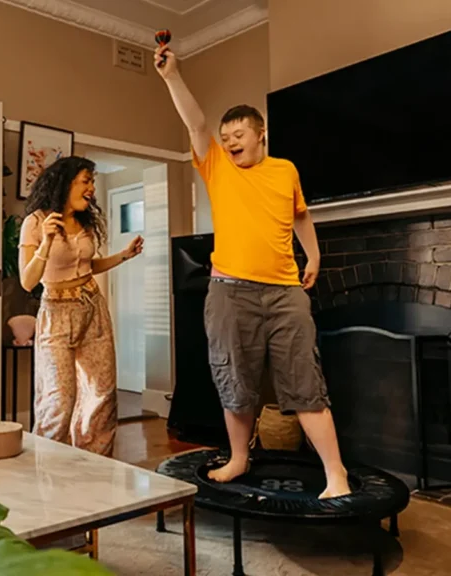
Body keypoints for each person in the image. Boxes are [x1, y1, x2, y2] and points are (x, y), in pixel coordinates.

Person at [154, 44, 351, 498]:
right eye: (227, 137)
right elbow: (196, 123)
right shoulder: (217, 166)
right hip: (229, 292)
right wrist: (171, 77)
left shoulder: (285, 171)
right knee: (235, 380)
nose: (231, 141)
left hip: (285, 293)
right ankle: (239, 459)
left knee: (305, 382)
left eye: (240, 134)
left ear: (261, 135)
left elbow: (300, 216)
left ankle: (335, 473)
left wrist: (314, 257)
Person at [18, 156, 144, 457]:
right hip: (56, 313)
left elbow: (88, 265)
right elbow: (27, 280)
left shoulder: (84, 222)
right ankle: (45, 468)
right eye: (86, 181)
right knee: (59, 399)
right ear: (66, 183)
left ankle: (94, 465)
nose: (91, 188)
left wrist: (123, 256)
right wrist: (46, 243)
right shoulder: (35, 222)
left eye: (92, 182)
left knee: (101, 394)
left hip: (92, 309)